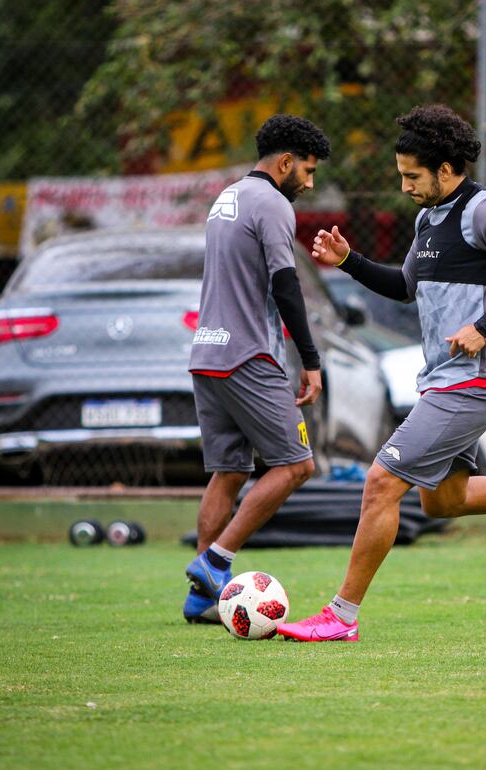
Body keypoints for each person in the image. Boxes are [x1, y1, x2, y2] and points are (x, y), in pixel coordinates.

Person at [277, 105, 486, 643]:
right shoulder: (428, 219)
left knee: (380, 483)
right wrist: (349, 260)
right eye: (401, 175)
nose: (404, 187)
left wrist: (485, 325)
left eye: (412, 176)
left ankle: (340, 617)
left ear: (447, 169)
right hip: (441, 381)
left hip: (474, 381)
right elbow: (406, 286)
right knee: (441, 500)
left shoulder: (484, 211)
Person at [183, 115, 331, 623]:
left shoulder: (227, 197)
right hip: (249, 356)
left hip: (207, 351)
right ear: (285, 162)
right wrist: (310, 362)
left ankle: (202, 601)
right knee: (297, 465)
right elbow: (286, 285)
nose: (309, 184)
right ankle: (215, 562)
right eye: (307, 172)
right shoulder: (272, 203)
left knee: (228, 473)